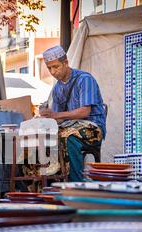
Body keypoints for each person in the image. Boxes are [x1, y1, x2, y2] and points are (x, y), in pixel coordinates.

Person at [40, 45, 106, 181]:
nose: (52, 72)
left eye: (55, 67)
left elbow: (85, 111)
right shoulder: (57, 89)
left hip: (93, 128)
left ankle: (76, 182)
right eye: (49, 68)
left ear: (65, 63)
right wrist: (43, 119)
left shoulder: (85, 79)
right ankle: (50, 182)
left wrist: (56, 115)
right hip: (69, 127)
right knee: (43, 139)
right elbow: (57, 120)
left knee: (67, 136)